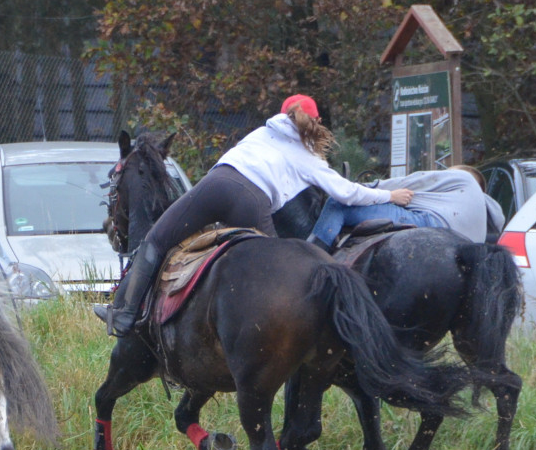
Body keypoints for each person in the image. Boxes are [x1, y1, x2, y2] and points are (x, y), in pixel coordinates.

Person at [94, 94, 412, 337]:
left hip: (215, 183)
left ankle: (123, 316)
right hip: (250, 201)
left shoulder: (263, 131)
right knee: (279, 277)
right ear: (314, 123)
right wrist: (389, 195)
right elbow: (345, 193)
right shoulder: (308, 157)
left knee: (156, 240)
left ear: (282, 114)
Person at [309, 163, 504, 247]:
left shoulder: (459, 178)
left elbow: (412, 182)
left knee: (337, 203)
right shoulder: (486, 210)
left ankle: (313, 255)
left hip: (432, 224)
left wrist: (361, 189)